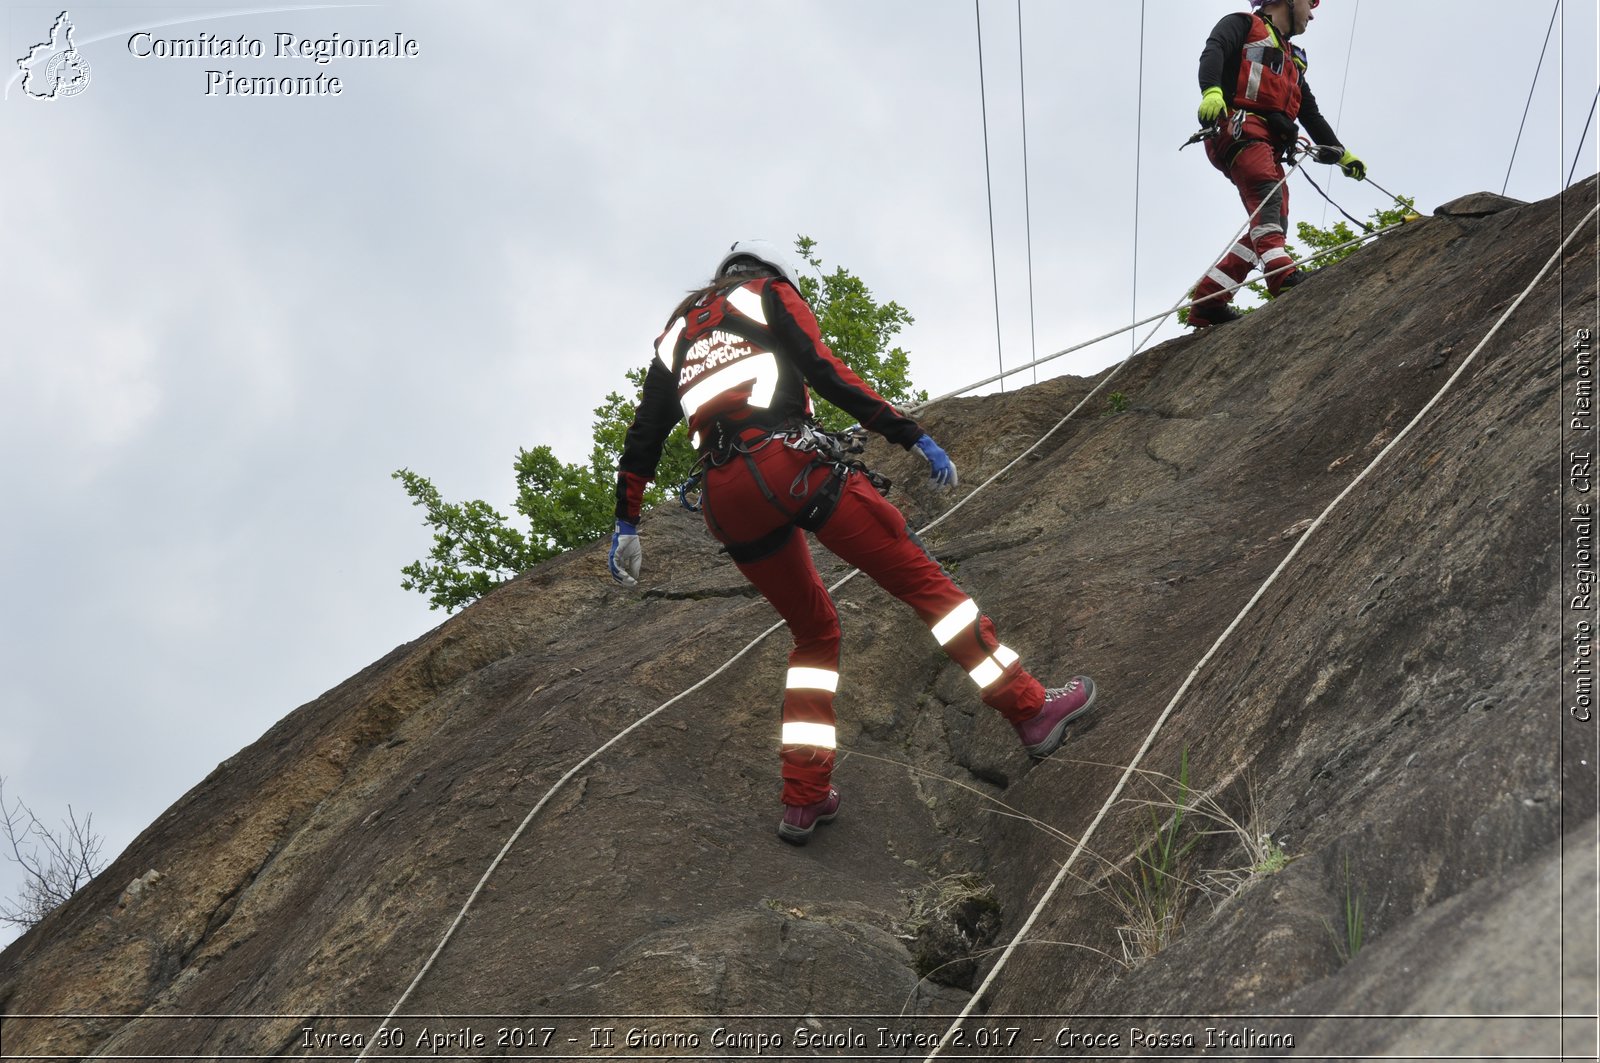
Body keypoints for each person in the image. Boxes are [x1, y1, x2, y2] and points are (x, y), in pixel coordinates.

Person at [609, 240, 1098, 845]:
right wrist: (910, 433)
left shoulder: (677, 332)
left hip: (725, 497)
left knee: (814, 636)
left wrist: (626, 522)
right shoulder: (767, 295)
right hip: (790, 465)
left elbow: (646, 432)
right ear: (766, 275)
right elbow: (824, 369)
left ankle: (803, 798)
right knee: (929, 591)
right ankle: (1030, 710)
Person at [1188, 0, 1366, 328]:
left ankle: (1210, 299)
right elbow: (1215, 50)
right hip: (1240, 127)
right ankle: (1281, 274)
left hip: (1267, 142)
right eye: (1309, 3)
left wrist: (1341, 153)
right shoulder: (1242, 25)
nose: (1312, 13)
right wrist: (1211, 91)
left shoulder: (1293, 60)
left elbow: (1309, 112)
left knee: (1275, 217)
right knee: (1265, 188)